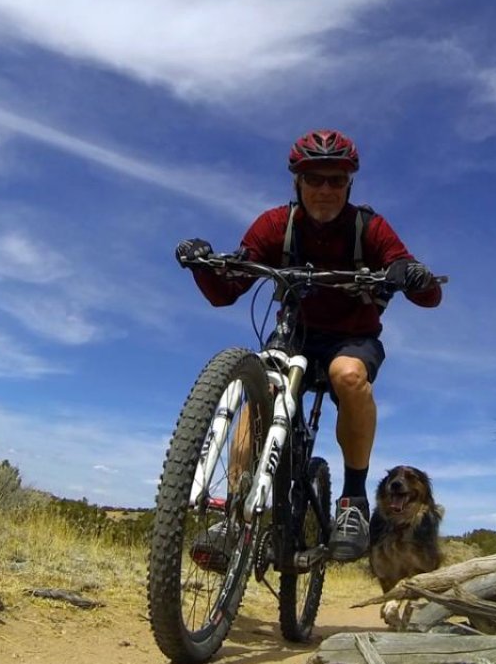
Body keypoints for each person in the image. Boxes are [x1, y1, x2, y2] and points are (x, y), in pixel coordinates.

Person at [174, 129, 442, 563]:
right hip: (294, 334)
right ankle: (238, 516)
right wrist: (202, 263)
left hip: (353, 338)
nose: (324, 189)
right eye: (314, 179)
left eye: (336, 180)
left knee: (348, 376)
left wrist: (413, 275)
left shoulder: (368, 227)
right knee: (260, 388)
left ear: (349, 184)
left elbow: (426, 292)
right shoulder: (276, 225)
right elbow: (227, 290)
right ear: (297, 182)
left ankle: (353, 502)